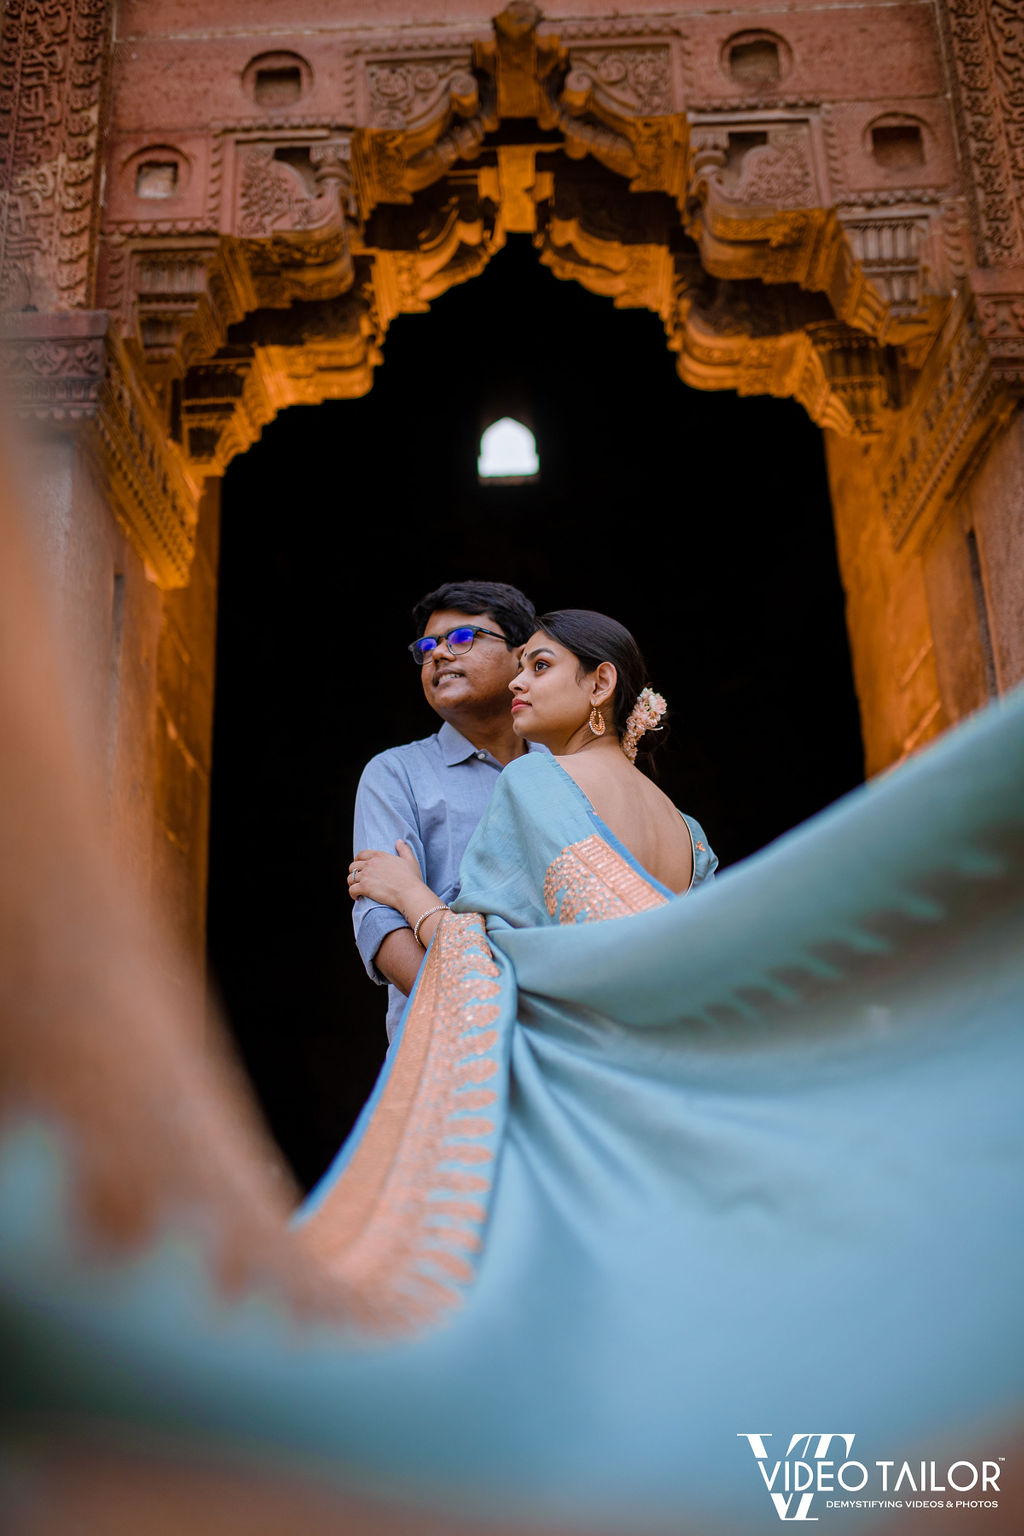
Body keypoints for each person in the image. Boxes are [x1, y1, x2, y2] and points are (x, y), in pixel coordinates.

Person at [351, 579, 544, 1041]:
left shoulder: (563, 768)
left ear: (522, 656)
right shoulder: (395, 774)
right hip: (441, 1043)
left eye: (462, 638)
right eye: (427, 646)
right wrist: (473, 1011)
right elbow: (380, 921)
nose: (437, 654)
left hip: (562, 1041)